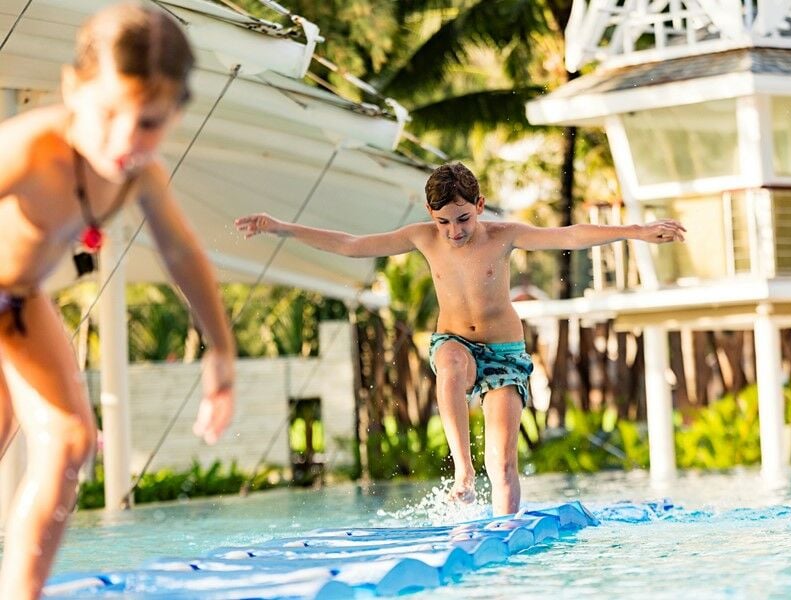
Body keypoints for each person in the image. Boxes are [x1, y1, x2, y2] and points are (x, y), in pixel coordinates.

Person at [235, 162, 684, 516]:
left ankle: (504, 530)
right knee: (449, 367)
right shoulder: (422, 238)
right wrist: (280, 227)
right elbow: (352, 244)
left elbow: (570, 234)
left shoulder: (506, 236)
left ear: (481, 205)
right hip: (454, 341)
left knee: (504, 462)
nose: (455, 231)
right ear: (431, 216)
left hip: (505, 353)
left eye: (464, 218)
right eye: (445, 221)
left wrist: (637, 232)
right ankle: (464, 474)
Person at [0, 4, 236, 598]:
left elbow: (183, 256)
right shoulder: (32, 148)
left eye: (149, 123)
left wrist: (222, 354)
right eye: (108, 113)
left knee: (70, 443)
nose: (124, 140)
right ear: (71, 87)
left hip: (19, 303)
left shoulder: (140, 174)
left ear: (176, 114)